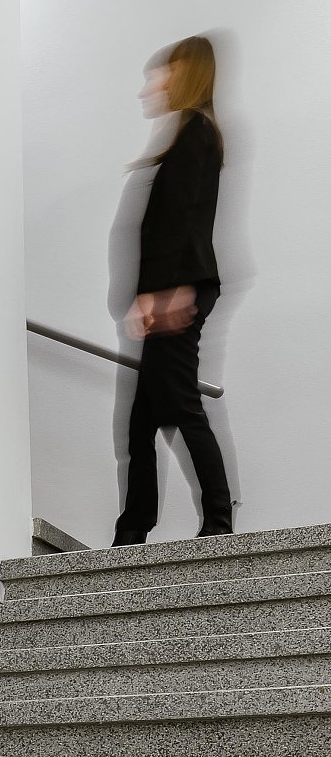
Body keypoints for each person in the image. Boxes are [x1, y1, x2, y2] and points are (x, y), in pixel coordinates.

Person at [113, 35, 233, 543]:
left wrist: (166, 293)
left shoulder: (196, 132)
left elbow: (182, 220)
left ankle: (219, 521)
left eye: (161, 73)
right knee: (141, 420)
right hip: (171, 291)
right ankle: (131, 532)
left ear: (187, 73)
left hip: (176, 293)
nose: (152, 86)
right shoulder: (189, 133)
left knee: (181, 405)